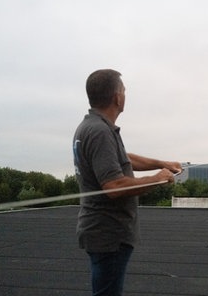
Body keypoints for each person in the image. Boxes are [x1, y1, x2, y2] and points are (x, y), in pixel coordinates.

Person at [73, 69, 181, 296]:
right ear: (117, 97)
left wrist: (161, 163)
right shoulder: (100, 131)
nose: (125, 95)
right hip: (109, 233)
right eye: (124, 90)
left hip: (101, 232)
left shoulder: (93, 127)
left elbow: (123, 158)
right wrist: (158, 179)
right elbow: (113, 187)